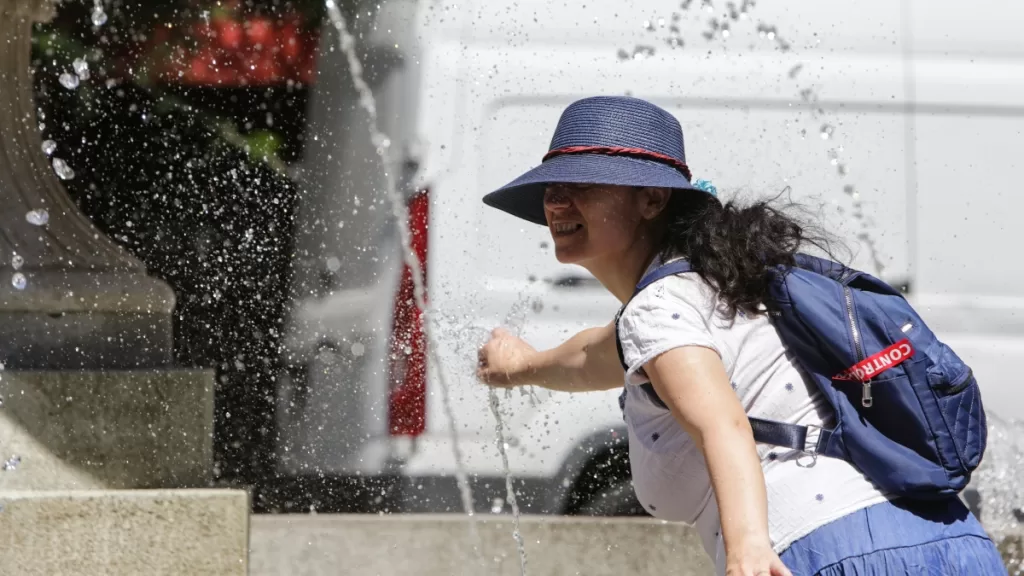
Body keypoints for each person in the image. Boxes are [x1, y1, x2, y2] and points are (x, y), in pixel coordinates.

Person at [476, 96, 1006, 576]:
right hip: (953, 543)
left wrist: (748, 547)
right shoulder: (727, 284)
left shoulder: (659, 308)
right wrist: (520, 365)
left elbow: (722, 424)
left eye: (583, 185)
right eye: (552, 189)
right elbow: (597, 353)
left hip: (830, 553)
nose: (557, 203)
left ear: (653, 200)